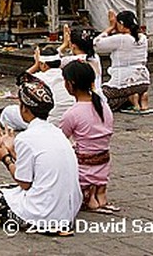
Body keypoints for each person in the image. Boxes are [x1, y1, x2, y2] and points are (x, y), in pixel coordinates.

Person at [0, 74, 82, 232]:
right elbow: (37, 167)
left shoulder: (26, 138)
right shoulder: (56, 132)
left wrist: (5, 157)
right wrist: (11, 148)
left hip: (43, 214)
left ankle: (21, 219)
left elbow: (24, 183)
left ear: (24, 108)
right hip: (68, 211)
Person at [60, 61, 117, 213]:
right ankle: (99, 191)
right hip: (103, 164)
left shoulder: (72, 113)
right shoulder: (103, 106)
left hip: (84, 167)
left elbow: (60, 139)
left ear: (70, 84)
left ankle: (87, 193)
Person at [0, 47, 75, 130]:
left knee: (8, 112)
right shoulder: (67, 75)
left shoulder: (37, 78)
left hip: (48, 120)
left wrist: (35, 65)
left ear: (43, 65)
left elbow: (20, 80)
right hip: (68, 119)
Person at [94, 10, 152, 113]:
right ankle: (141, 98)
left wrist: (110, 27)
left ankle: (130, 99)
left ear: (121, 24)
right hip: (143, 82)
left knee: (100, 98)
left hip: (124, 82)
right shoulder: (143, 38)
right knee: (125, 94)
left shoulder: (121, 39)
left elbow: (96, 44)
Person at [59, 24, 103, 95]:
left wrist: (64, 44)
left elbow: (48, 62)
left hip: (84, 98)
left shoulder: (70, 60)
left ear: (73, 46)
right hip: (98, 95)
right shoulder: (95, 57)